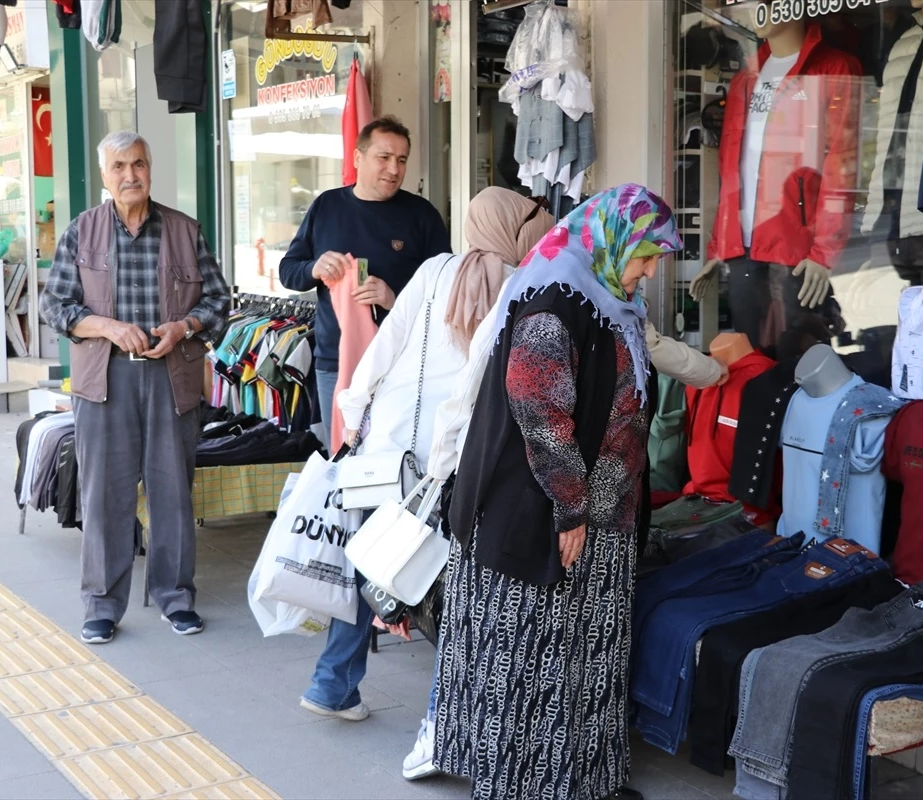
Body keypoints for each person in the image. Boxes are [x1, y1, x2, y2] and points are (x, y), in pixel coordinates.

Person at [434, 184, 683, 800]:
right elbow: (540, 412)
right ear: (612, 240)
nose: (650, 270)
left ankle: (589, 782)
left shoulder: (613, 303)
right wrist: (571, 507)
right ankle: (524, 786)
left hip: (605, 519)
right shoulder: (556, 300)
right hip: (541, 516)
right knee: (531, 662)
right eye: (645, 255)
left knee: (590, 658)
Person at [297, 187, 555, 727]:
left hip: (390, 444)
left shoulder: (437, 268)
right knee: (449, 587)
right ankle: (443, 722)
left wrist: (352, 414)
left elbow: (385, 344)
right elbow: (477, 386)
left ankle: (332, 685)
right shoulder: (522, 286)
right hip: (451, 455)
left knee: (380, 559)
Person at [39, 130, 231, 644]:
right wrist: (108, 326)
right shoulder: (82, 231)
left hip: (172, 375)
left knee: (172, 492)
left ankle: (175, 597)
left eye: (139, 164)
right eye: (120, 166)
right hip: (104, 379)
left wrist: (182, 328)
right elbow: (54, 306)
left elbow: (218, 302)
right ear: (105, 175)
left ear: (150, 168)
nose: (131, 175)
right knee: (105, 495)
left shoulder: (186, 230)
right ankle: (102, 604)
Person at [279, 115, 450, 450]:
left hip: (401, 366)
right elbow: (289, 272)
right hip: (336, 364)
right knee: (343, 463)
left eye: (401, 160)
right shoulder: (326, 206)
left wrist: (394, 299)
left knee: (396, 464)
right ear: (358, 158)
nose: (394, 169)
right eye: (383, 158)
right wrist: (314, 267)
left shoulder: (422, 215)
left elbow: (445, 293)